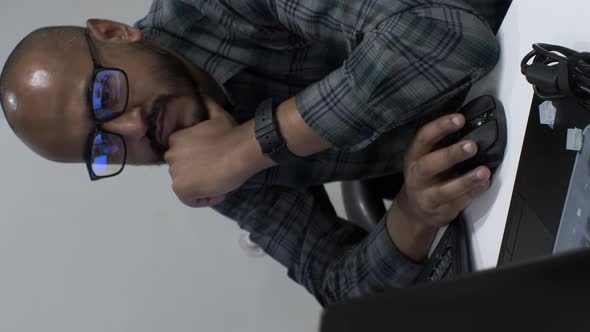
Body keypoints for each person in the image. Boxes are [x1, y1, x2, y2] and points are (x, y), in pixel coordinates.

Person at [0, 0, 500, 306]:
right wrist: (414, 213)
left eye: (105, 94)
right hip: (504, 165)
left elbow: (452, 39)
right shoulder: (198, 160)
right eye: (102, 144)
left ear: (113, 32)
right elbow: (339, 289)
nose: (131, 127)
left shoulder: (217, 8)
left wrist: (249, 147)